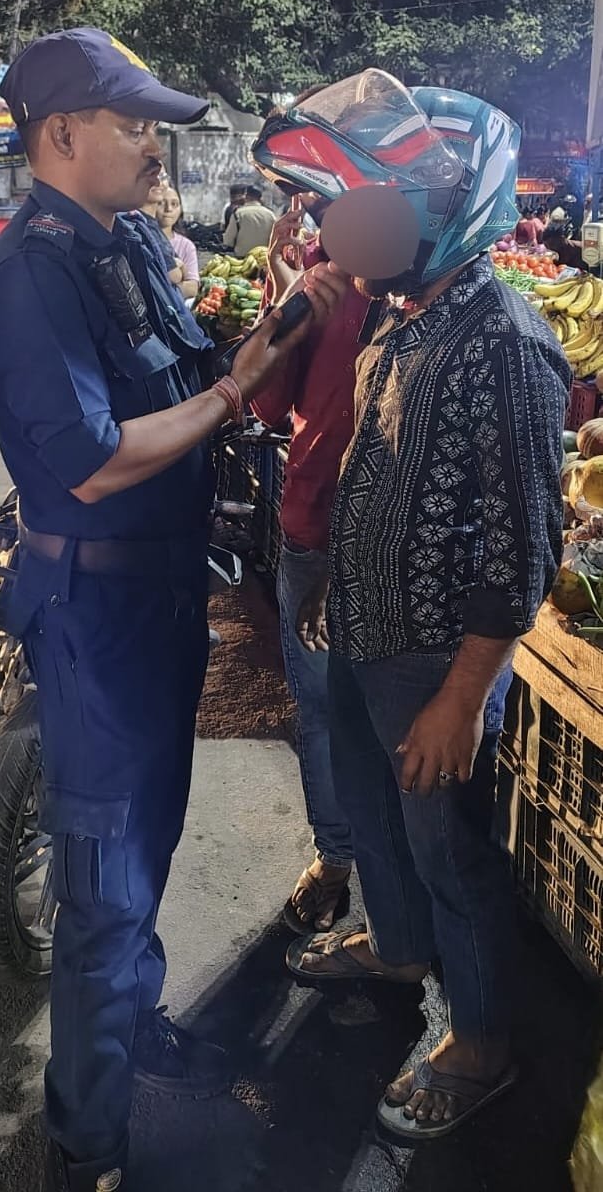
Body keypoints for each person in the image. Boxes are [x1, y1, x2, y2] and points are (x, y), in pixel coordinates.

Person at [0, 26, 347, 1192]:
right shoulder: (26, 274)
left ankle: (133, 1034)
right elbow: (91, 462)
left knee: (146, 843)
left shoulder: (121, 243)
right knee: (104, 883)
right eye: (132, 122)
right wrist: (234, 390)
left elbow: (192, 376)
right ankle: (87, 1145)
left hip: (162, 599)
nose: (153, 145)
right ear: (60, 134)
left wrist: (284, 318)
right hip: (97, 617)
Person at [253, 71, 571, 1140]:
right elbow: (372, 468)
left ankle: (480, 1043)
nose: (348, 226)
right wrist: (332, 584)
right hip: (362, 629)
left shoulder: (507, 345)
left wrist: (460, 699)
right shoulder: (398, 316)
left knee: (450, 853)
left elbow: (525, 547)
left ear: (448, 208)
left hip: (436, 660)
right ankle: (395, 949)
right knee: (375, 811)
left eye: (374, 204)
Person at [251, 193, 370, 933]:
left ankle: (394, 887)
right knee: (324, 708)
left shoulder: (433, 289)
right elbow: (268, 406)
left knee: (388, 715)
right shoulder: (318, 284)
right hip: (315, 527)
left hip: (395, 544)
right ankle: (336, 857)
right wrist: (283, 292)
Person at [156, 185, 199, 300]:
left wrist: (158, 290)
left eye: (174, 204)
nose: (168, 209)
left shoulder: (186, 246)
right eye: (161, 203)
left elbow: (192, 288)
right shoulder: (141, 240)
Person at [223, 184, 276, 257]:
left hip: (242, 259)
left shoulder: (238, 214)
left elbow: (228, 241)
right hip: (264, 257)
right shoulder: (271, 214)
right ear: (260, 197)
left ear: (246, 197)